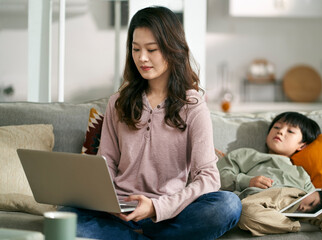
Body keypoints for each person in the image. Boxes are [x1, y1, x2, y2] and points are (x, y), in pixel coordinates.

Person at [60, 6, 241, 240]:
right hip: (120, 214)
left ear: (172, 49)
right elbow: (107, 162)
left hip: (170, 214)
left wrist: (157, 207)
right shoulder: (118, 102)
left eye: (151, 49)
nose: (142, 58)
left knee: (228, 205)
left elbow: (208, 177)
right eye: (136, 49)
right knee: (65, 216)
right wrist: (105, 198)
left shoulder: (193, 106)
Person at [217, 111, 322, 240]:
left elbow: (310, 194)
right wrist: (247, 181)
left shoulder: (300, 171)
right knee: (245, 213)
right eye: (277, 127)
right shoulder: (246, 154)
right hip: (259, 200)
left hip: (297, 202)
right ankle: (296, 226)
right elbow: (219, 175)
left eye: (290, 131)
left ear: (302, 146)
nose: (280, 132)